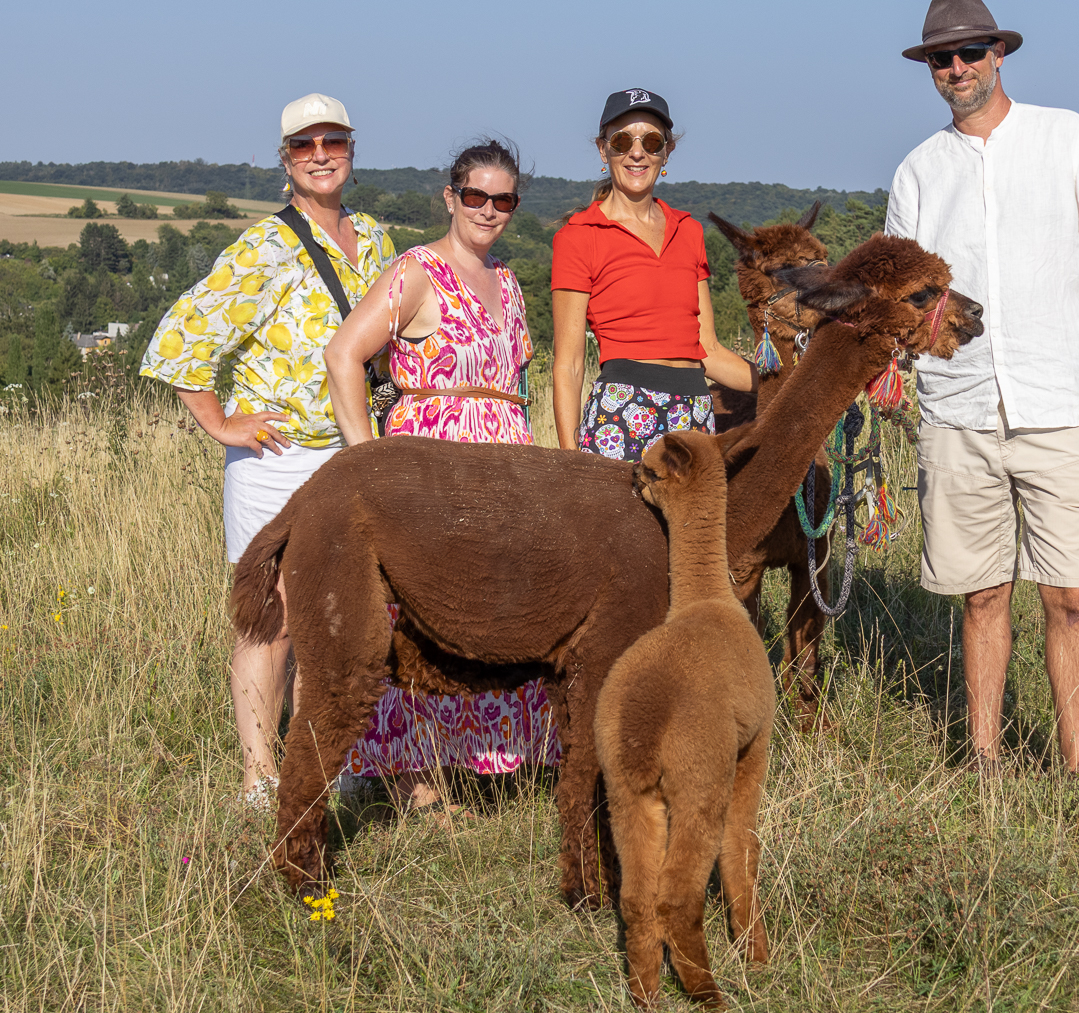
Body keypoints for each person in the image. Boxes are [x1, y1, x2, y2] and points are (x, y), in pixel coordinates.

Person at [884, 0, 1079, 774]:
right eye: (942, 57)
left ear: (1000, 53)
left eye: (970, 52)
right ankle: (986, 760)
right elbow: (904, 294)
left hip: (1061, 403)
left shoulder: (1068, 138)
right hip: (959, 410)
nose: (957, 68)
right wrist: (888, 369)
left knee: (1070, 596)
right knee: (982, 596)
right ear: (929, 69)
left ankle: (1075, 771)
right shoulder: (919, 172)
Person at [140, 93, 396, 804]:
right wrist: (223, 423)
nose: (321, 155)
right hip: (276, 460)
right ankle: (259, 775)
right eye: (305, 145)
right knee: (273, 616)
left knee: (337, 614)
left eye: (333, 142)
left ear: (351, 149)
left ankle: (325, 762)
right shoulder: (263, 247)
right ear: (285, 160)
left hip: (349, 455)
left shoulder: (374, 239)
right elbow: (180, 339)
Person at [324, 138, 560, 810]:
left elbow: (512, 380)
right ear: (451, 198)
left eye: (503, 199)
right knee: (418, 616)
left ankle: (489, 757)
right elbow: (344, 353)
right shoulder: (415, 272)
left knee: (495, 613)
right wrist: (368, 461)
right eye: (476, 195)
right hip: (430, 465)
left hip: (504, 467)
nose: (489, 209)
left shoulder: (510, 282)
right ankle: (412, 778)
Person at [551, 88, 757, 460]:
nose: (636, 152)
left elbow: (708, 351)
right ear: (603, 150)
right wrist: (570, 463)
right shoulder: (579, 236)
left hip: (695, 414)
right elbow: (569, 364)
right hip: (621, 414)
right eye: (621, 140)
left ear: (666, 152)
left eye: (651, 140)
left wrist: (791, 384)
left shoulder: (688, 230)